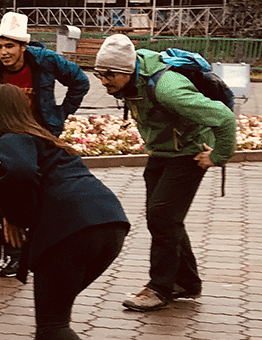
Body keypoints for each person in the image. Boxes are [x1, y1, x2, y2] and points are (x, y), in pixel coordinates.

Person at [0, 84, 125, 340]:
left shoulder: (10, 139)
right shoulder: (40, 137)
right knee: (52, 316)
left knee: (53, 323)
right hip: (108, 223)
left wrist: (15, 217)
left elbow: (20, 172)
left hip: (70, 230)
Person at [93, 33, 236, 312]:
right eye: (99, 74)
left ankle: (160, 288)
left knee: (162, 216)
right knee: (164, 218)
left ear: (126, 71)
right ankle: (187, 282)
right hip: (162, 152)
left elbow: (224, 117)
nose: (103, 81)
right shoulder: (132, 76)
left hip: (189, 153)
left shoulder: (167, 88)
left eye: (108, 75)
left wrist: (217, 156)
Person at [0, 12, 90, 136]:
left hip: (41, 131)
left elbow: (80, 81)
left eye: (9, 46)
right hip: (3, 135)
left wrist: (61, 113)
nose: (3, 52)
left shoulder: (46, 60)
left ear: (23, 46)